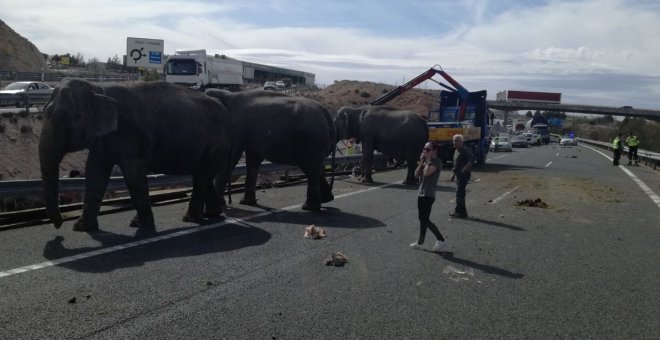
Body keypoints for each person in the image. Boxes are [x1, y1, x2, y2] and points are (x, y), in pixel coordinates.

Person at [410, 142, 446, 252]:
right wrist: (421, 161)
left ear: (434, 151)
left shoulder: (437, 162)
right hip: (421, 193)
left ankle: (441, 240)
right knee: (422, 219)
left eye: (427, 149)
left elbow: (427, 173)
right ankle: (420, 241)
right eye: (424, 149)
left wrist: (428, 160)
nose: (424, 151)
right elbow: (416, 175)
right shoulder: (425, 162)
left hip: (429, 194)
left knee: (425, 219)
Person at [450, 134, 475, 218]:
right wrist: (453, 174)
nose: (454, 142)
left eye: (456, 141)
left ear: (461, 142)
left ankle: (461, 212)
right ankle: (460, 211)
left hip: (464, 175)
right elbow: (456, 164)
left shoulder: (465, 150)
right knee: (459, 193)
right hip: (458, 175)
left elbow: (472, 159)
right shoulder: (456, 150)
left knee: (459, 193)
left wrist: (465, 168)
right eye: (454, 140)